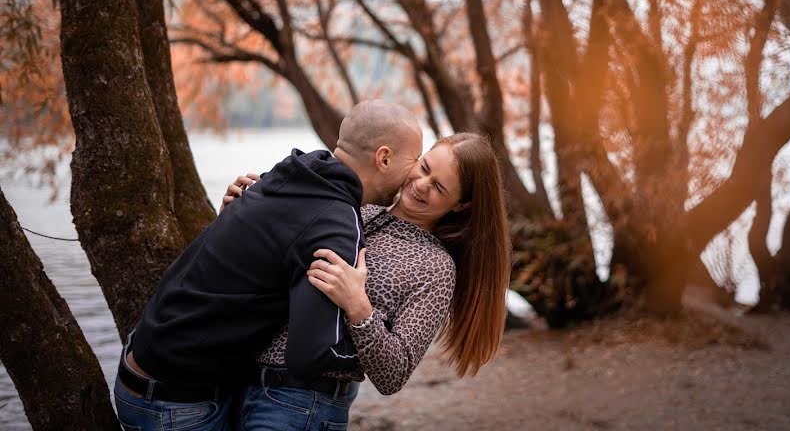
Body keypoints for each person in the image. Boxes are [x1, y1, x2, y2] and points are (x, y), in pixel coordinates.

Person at [113, 100, 423, 431]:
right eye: (415, 160)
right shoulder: (337, 221)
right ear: (385, 158)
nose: (417, 171)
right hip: (176, 402)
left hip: (142, 367)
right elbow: (308, 357)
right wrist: (360, 336)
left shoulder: (290, 173)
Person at [224, 132, 512, 430]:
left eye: (439, 187)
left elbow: (394, 375)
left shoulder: (435, 267)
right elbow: (275, 272)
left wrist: (358, 306)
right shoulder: (357, 208)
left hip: (300, 407)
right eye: (425, 167)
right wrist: (240, 217)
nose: (421, 184)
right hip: (235, 384)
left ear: (460, 205)